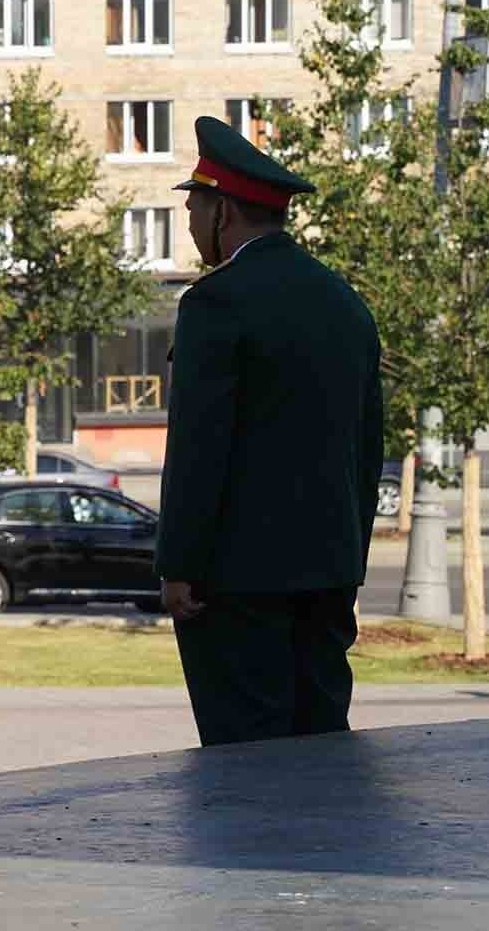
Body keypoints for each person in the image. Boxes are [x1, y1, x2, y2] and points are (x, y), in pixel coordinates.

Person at [156, 116, 384, 746]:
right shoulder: (345, 303)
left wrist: (179, 565)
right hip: (329, 573)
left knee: (246, 763)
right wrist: (348, 559)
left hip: (235, 582)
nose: (193, 224)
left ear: (223, 211)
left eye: (195, 207)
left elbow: (200, 448)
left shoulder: (215, 303)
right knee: (322, 748)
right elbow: (368, 450)